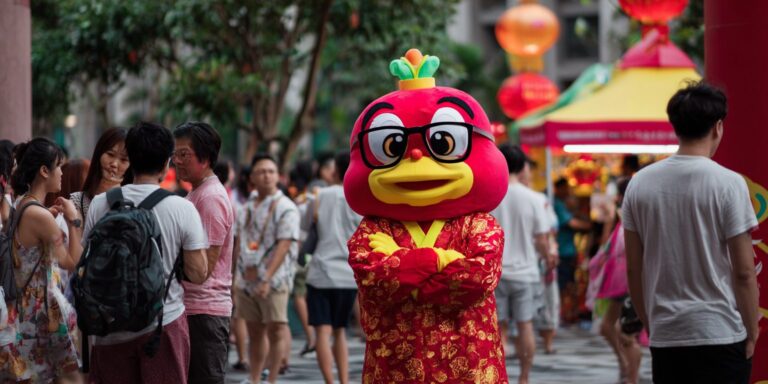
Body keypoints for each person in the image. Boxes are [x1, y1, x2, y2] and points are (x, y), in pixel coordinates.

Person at [623, 82, 759, 384]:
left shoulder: (639, 183)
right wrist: (753, 330)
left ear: (676, 126)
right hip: (721, 333)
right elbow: (744, 272)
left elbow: (634, 267)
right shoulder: (728, 184)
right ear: (718, 127)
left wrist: (651, 323)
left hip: (667, 336)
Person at [83, 122, 209, 384]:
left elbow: (87, 259)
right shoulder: (181, 208)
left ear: (131, 158)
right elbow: (198, 274)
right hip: (163, 323)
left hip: (109, 327)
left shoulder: (100, 203)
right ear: (166, 164)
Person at [0, 138, 81, 383]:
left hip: (25, 312)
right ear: (44, 171)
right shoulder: (39, 215)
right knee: (69, 379)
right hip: (42, 314)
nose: (61, 173)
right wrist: (73, 220)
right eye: (59, 166)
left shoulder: (22, 205)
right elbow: (71, 262)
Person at [173, 122, 235, 384]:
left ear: (206, 157)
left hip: (204, 312)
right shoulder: (197, 192)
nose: (176, 161)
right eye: (174, 154)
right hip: (194, 309)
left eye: (184, 154)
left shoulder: (209, 197)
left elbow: (202, 270)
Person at [490, 145, 554, 384]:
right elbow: (541, 238)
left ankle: (499, 376)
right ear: (522, 166)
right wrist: (547, 257)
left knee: (499, 329)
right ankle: (524, 378)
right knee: (525, 325)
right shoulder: (535, 199)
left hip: (495, 274)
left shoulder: (490, 196)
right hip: (526, 274)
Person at [234, 154, 300, 384]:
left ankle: (271, 379)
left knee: (276, 330)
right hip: (246, 279)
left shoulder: (286, 207)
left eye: (271, 171)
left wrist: (266, 278)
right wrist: (235, 276)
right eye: (261, 171)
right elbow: (238, 240)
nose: (267, 175)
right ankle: (254, 378)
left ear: (278, 176)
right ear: (252, 177)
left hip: (275, 281)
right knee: (255, 332)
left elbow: (284, 244)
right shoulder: (246, 207)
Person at [304, 151, 361, 384]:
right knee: (340, 332)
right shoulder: (359, 200)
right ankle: (345, 381)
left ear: (335, 171)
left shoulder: (318, 196)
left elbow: (304, 227)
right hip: (348, 276)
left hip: (321, 273)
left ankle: (330, 381)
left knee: (322, 332)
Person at [591, 178, 642, 384]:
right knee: (608, 327)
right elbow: (606, 245)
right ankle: (625, 366)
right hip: (620, 280)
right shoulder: (625, 215)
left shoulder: (635, 215)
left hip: (632, 281)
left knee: (627, 334)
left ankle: (632, 378)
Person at [553, 177, 591, 323]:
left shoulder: (562, 204)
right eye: (566, 189)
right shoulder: (557, 204)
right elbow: (571, 223)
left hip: (568, 251)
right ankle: (564, 313)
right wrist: (588, 226)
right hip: (563, 252)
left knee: (569, 283)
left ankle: (569, 312)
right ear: (559, 188)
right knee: (564, 284)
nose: (568, 192)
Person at [71, 128, 131, 219]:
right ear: (99, 154)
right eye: (110, 154)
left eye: (123, 160)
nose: (114, 164)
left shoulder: (133, 202)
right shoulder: (77, 201)